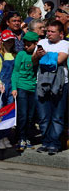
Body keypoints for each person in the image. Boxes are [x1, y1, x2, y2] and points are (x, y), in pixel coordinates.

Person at [31, 21, 68, 155]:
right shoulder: (42, 42)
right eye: (48, 31)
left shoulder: (65, 44)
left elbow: (60, 59)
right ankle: (46, 142)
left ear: (61, 34)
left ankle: (55, 143)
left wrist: (44, 56)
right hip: (42, 82)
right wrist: (37, 55)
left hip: (61, 83)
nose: (49, 34)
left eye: (53, 32)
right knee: (43, 115)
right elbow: (34, 61)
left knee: (57, 115)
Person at [11, 32, 39, 151]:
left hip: (33, 88)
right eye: (25, 44)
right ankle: (21, 137)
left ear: (35, 44)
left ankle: (27, 137)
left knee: (31, 115)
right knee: (22, 114)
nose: (26, 47)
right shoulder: (21, 54)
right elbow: (15, 72)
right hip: (22, 87)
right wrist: (14, 88)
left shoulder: (37, 55)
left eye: (29, 45)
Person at [0, 29, 17, 149]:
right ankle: (0, 137)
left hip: (12, 87)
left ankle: (6, 136)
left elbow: (16, 72)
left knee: (9, 113)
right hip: (1, 88)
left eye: (11, 40)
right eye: (7, 41)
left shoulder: (15, 55)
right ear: (2, 42)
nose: (10, 43)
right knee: (0, 112)